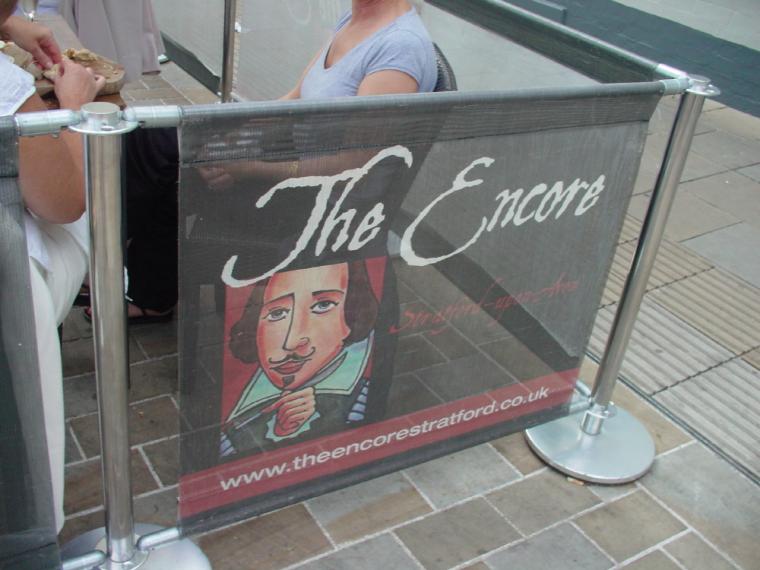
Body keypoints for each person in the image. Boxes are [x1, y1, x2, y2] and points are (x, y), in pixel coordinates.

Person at [118, 0, 437, 323]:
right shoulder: (355, 18)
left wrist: (250, 168)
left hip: (321, 206)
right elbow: (295, 99)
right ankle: (137, 273)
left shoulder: (401, 48)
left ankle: (116, 252)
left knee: (162, 156)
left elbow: (356, 165)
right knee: (163, 149)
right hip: (294, 173)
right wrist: (232, 135)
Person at [0, 0, 103, 531]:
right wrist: (72, 109)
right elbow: (64, 202)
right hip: (12, 290)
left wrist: (7, 24)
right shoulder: (6, 88)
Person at [221, 260, 379, 454]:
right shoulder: (229, 432)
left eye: (323, 305)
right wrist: (277, 431)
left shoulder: (364, 400)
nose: (291, 342)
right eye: (277, 313)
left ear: (352, 315)